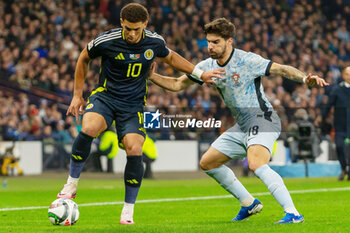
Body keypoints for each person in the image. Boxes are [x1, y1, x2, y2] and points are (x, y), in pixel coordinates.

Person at [149, 18, 328, 224]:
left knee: (256, 164)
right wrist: (153, 77)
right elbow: (177, 84)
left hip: (263, 118)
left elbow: (282, 69)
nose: (210, 46)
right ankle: (248, 203)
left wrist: (305, 79)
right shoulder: (206, 66)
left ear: (229, 41)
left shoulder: (247, 61)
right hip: (242, 125)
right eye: (208, 41)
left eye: (215, 42)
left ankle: (294, 214)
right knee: (208, 163)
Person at [56, 3, 222, 225]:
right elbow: (83, 58)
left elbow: (172, 58)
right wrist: (77, 95)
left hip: (133, 105)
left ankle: (128, 210)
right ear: (122, 23)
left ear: (145, 24)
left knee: (135, 149)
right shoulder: (107, 40)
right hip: (105, 97)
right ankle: (71, 184)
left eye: (136, 29)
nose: (132, 34)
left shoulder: (154, 41)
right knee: (88, 128)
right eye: (127, 28)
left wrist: (201, 74)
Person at [317, 66, 350, 180]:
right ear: (343, 75)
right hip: (340, 124)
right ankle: (344, 168)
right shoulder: (337, 90)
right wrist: (321, 117)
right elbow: (328, 105)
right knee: (340, 146)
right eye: (347, 74)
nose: (349, 76)